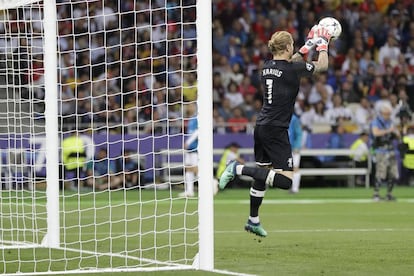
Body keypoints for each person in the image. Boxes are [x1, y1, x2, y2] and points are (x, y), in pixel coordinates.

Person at [219, 27, 331, 237]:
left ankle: (253, 220)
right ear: (288, 47)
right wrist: (323, 44)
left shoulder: (267, 66)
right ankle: (237, 169)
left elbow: (292, 62)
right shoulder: (292, 69)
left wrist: (309, 45)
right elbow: (322, 66)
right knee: (286, 180)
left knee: (262, 177)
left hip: (261, 126)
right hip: (276, 130)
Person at [369, 102, 399, 201]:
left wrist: (395, 133)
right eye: (387, 113)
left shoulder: (390, 122)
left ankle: (389, 194)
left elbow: (397, 135)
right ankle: (376, 194)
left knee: (392, 173)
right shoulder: (376, 122)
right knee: (380, 173)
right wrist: (388, 131)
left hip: (390, 149)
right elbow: (375, 133)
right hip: (380, 150)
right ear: (382, 113)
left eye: (389, 113)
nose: (389, 115)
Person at [179, 102, 198, 197]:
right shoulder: (190, 119)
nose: (189, 107)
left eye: (191, 106)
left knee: (196, 168)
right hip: (190, 148)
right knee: (188, 168)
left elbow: (198, 131)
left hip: (196, 147)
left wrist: (188, 142)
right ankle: (189, 190)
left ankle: (212, 183)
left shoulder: (197, 117)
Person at [288, 113, 303, 194]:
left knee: (295, 167)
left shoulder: (294, 119)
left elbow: (299, 133)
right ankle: (291, 187)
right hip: (284, 147)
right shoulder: (279, 116)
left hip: (294, 147)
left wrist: (297, 146)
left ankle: (295, 188)